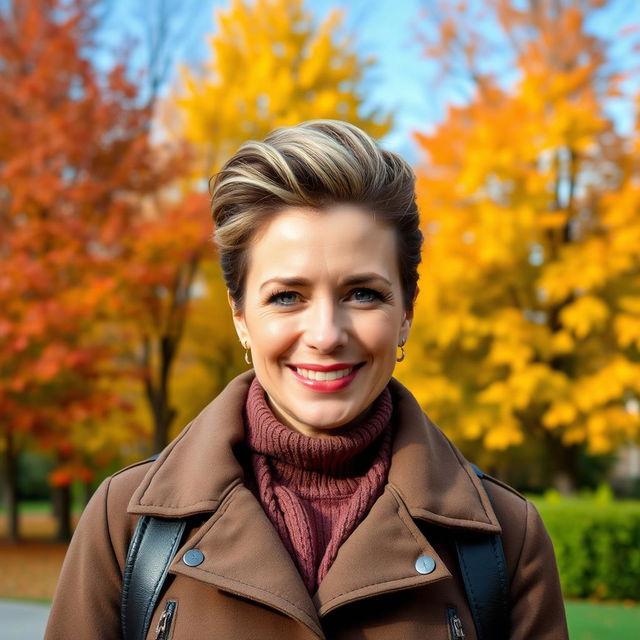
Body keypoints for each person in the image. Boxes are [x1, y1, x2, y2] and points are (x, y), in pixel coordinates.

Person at [45, 120, 568, 639]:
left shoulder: (505, 539)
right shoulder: (128, 524)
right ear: (240, 316)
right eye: (286, 296)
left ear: (406, 311)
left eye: (363, 293)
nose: (325, 334)